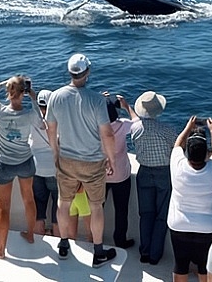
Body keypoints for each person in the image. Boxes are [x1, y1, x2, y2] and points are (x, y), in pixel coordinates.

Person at [46, 53, 118, 267]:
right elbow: (107, 134)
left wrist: (55, 153)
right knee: (96, 206)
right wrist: (111, 159)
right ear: (87, 72)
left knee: (64, 202)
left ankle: (64, 245)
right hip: (93, 162)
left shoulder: (55, 97)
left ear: (70, 73)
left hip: (66, 158)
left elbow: (51, 129)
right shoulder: (97, 100)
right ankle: (98, 253)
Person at [0, 75, 40, 259]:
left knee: (4, 207)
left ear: (8, 93)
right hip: (25, 162)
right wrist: (32, 95)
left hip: (4, 164)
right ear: (23, 92)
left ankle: (0, 250)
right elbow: (41, 120)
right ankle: (30, 235)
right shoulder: (29, 114)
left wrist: (2, 84)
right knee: (29, 200)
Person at [168, 116, 212, 282]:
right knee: (204, 265)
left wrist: (188, 127)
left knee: (180, 264)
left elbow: (178, 144)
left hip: (178, 224)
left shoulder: (177, 165)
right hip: (207, 227)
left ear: (188, 153)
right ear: (206, 154)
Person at [130, 90, 177, 265]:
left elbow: (135, 123)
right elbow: (178, 148)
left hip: (144, 173)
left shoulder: (134, 129)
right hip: (164, 173)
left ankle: (144, 251)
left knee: (146, 214)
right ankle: (155, 255)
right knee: (161, 216)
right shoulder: (167, 130)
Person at [103, 93, 138, 249]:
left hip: (100, 176)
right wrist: (126, 106)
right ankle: (120, 240)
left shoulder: (93, 127)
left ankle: (95, 237)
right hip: (121, 176)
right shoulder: (123, 125)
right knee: (121, 210)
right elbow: (138, 123)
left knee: (96, 209)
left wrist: (98, 101)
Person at [31, 89, 58, 235]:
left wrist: (32, 96)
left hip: (36, 168)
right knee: (57, 203)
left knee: (39, 204)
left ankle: (39, 234)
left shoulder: (31, 118)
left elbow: (35, 108)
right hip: (53, 169)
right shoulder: (58, 120)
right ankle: (58, 234)